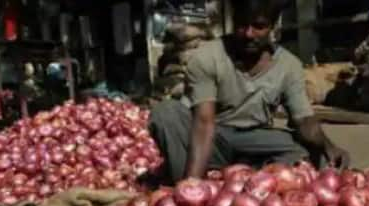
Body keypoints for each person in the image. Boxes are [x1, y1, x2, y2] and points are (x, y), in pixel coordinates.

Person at [149, 0, 350, 183]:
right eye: (242, 25)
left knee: (308, 151)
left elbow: (303, 120)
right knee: (166, 113)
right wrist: (193, 186)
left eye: (259, 26)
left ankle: (239, 177)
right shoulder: (208, 56)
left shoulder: (289, 66)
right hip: (214, 137)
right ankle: (197, 180)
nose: (248, 33)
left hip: (255, 139)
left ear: (273, 27)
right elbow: (204, 122)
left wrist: (329, 146)